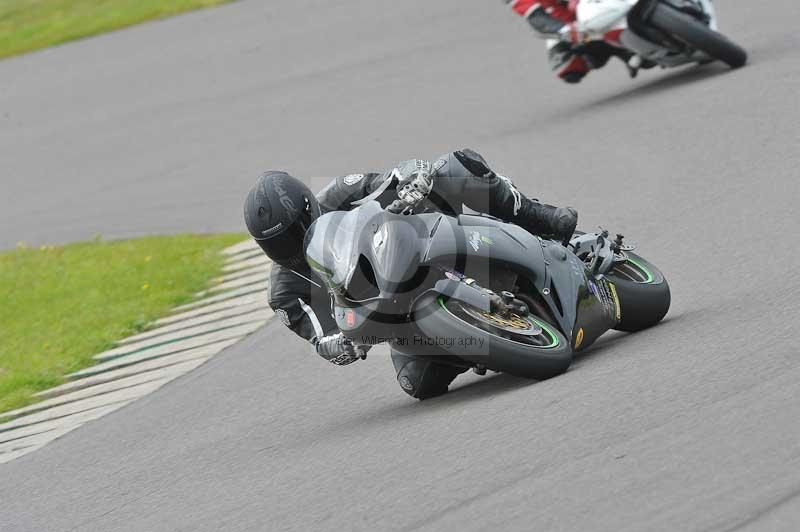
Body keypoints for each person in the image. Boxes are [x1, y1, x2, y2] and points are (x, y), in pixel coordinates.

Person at [243, 149, 577, 399]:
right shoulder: (285, 292)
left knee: (454, 167)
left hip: (421, 247)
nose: (289, 249)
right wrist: (341, 346)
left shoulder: (338, 194)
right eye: (275, 245)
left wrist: (412, 181)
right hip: (395, 317)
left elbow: (395, 175)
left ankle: (540, 219)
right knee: (417, 384)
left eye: (292, 233)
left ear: (307, 207)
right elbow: (323, 338)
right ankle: (486, 342)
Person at [504, 0, 639, 83]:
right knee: (569, 68)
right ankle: (619, 49)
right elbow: (535, 17)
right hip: (573, 22)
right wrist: (564, 30)